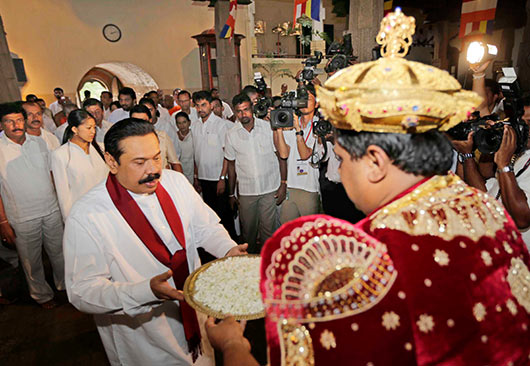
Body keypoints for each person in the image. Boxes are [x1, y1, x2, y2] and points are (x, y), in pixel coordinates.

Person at [205, 9, 530, 365]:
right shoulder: (482, 208)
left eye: (342, 159)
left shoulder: (351, 261)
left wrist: (232, 346)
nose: (340, 172)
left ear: (375, 161)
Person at [64, 118, 247, 366]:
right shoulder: (87, 214)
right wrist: (145, 292)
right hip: (144, 337)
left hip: (198, 313)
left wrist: (227, 249)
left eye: (157, 157)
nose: (153, 170)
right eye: (139, 162)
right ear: (111, 161)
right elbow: (82, 291)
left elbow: (205, 228)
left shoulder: (175, 182)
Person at [0, 102, 64, 309]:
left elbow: (52, 175)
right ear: (2, 124)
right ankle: (42, 296)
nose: (16, 125)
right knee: (31, 262)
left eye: (19, 119)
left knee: (60, 253)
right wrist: (3, 222)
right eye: (10, 121)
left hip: (51, 209)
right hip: (22, 216)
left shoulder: (39, 142)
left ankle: (64, 287)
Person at [453, 95, 530, 249]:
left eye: (528, 122)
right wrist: (467, 154)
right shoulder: (521, 156)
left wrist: (504, 165)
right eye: (519, 122)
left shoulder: (509, 160)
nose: (522, 128)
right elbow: (483, 195)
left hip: (519, 263)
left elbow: (522, 219)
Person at [225, 93, 286, 253]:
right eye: (239, 111)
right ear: (234, 111)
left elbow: (281, 156)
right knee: (248, 234)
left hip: (269, 189)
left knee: (268, 233)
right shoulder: (231, 134)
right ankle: (250, 269)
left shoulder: (268, 128)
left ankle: (268, 266)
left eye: (246, 109)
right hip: (247, 192)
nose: (242, 114)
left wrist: (283, 184)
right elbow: (231, 166)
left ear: (252, 109)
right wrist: (231, 194)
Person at [273, 83, 321, 224]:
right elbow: (283, 153)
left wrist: (298, 129)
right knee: (287, 232)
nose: (304, 102)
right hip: (291, 186)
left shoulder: (320, 126)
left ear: (317, 104)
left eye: (309, 99)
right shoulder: (291, 121)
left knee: (308, 232)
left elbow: (305, 154)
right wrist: (279, 127)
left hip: (309, 188)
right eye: (302, 99)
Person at [191, 91, 236, 240]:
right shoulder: (195, 126)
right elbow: (196, 153)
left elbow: (227, 155)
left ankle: (231, 247)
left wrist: (222, 178)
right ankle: (215, 247)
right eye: (197, 106)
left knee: (224, 217)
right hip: (204, 178)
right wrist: (196, 176)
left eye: (203, 105)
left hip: (219, 178)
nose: (200, 109)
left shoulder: (221, 125)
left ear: (211, 105)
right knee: (210, 217)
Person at [51, 110, 108, 220]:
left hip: (105, 208)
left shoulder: (101, 148)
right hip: (82, 214)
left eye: (94, 128)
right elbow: (64, 196)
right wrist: (69, 220)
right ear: (75, 129)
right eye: (88, 128)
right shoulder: (61, 155)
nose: (93, 132)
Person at [130, 103, 183, 173]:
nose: (140, 125)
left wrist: (179, 182)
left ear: (150, 120)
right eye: (136, 121)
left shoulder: (162, 137)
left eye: (143, 121)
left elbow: (175, 163)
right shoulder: (126, 142)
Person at [175, 111, 194, 184]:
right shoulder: (174, 136)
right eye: (179, 123)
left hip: (192, 172)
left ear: (189, 122)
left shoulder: (194, 135)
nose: (182, 125)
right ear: (176, 125)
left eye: (184, 122)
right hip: (179, 172)